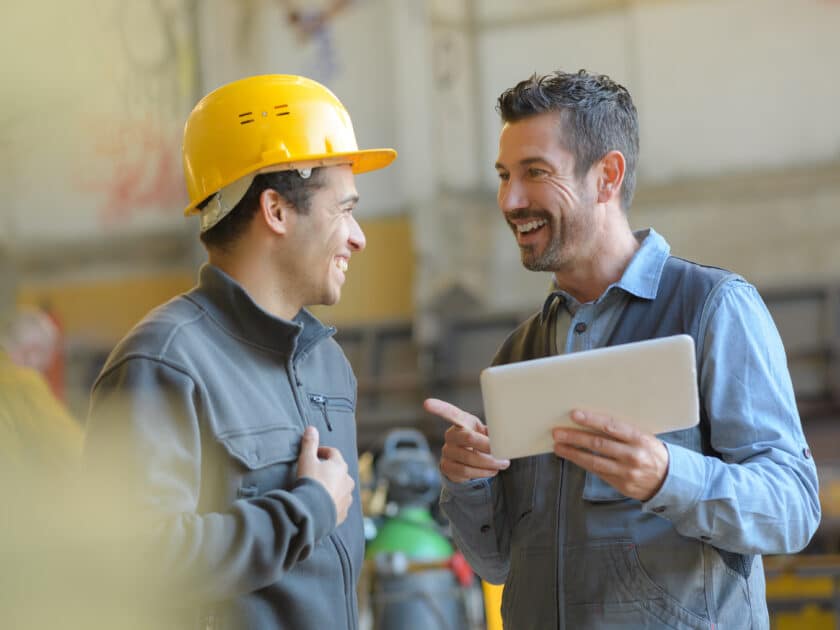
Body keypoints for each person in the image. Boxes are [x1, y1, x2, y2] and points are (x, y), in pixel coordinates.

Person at [424, 70, 821, 629]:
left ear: (607, 176)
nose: (510, 200)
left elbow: (793, 508)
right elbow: (496, 564)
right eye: (504, 176)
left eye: (535, 172)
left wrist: (667, 476)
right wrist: (470, 483)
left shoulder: (713, 309)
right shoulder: (519, 354)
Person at [83, 74, 396, 629]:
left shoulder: (327, 363)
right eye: (343, 210)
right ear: (275, 211)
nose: (358, 237)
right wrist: (306, 511)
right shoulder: (163, 363)